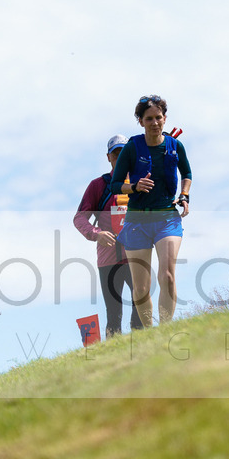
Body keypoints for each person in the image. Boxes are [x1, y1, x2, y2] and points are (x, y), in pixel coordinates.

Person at [109, 95, 192, 327]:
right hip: (136, 220)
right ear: (140, 121)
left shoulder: (176, 146)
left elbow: (187, 174)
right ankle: (149, 333)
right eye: (149, 119)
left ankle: (165, 329)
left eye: (158, 117)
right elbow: (116, 185)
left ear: (165, 119)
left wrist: (184, 195)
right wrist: (134, 187)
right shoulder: (132, 148)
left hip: (167, 218)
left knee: (167, 276)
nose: (155, 122)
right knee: (142, 287)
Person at [73, 134, 143, 338]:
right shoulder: (98, 186)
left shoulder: (141, 183)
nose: (120, 157)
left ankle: (140, 346)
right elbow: (79, 218)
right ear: (108, 157)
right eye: (115, 154)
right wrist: (96, 234)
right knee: (114, 314)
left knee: (141, 303)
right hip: (108, 259)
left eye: (124, 153)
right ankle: (112, 355)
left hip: (136, 255)